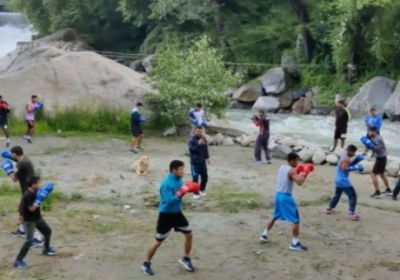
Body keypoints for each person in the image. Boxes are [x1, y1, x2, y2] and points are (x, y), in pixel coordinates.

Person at [141, 160, 196, 276]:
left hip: (177, 213)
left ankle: (186, 258)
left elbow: (179, 194)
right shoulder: (166, 184)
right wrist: (181, 192)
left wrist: (188, 189)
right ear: (174, 170)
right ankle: (146, 263)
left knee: (189, 234)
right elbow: (168, 200)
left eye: (183, 168)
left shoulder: (179, 180)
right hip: (166, 215)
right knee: (158, 241)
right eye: (181, 169)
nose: (183, 171)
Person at [259, 152, 313, 252]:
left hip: (278, 195)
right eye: (297, 160)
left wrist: (298, 170)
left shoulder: (282, 167)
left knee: (275, 215)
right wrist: (305, 173)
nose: (298, 162)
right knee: (295, 220)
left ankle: (264, 234)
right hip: (286, 197)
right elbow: (299, 182)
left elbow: (289, 174)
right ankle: (295, 243)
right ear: (292, 160)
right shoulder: (292, 171)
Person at [13, 176, 57, 268]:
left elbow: (22, 204)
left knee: (47, 231)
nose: (39, 184)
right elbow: (31, 208)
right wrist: (39, 200)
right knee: (29, 240)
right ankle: (18, 260)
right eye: (38, 183)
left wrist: (45, 193)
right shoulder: (28, 195)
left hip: (37, 218)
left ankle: (46, 248)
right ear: (33, 185)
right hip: (29, 220)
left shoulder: (37, 191)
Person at [4, 146, 43, 246]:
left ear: (14, 154)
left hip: (28, 192)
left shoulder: (22, 163)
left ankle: (37, 238)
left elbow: (14, 178)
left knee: (25, 215)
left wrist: (8, 170)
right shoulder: (25, 160)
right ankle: (22, 230)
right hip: (29, 191)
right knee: (21, 211)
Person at [325, 144, 361, 220]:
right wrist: (355, 168)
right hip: (343, 181)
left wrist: (356, 161)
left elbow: (346, 165)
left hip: (338, 180)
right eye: (353, 152)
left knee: (337, 194)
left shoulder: (343, 155)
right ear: (350, 151)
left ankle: (329, 208)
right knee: (353, 196)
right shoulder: (345, 158)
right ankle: (351, 213)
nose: (354, 154)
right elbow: (344, 168)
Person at [365, 127, 392, 198]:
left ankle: (377, 192)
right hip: (382, 158)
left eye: (369, 132)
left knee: (373, 174)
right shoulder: (375, 138)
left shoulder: (377, 138)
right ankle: (388, 189)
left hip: (381, 159)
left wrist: (371, 145)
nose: (368, 133)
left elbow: (379, 148)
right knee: (382, 174)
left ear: (373, 131)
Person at [188, 125, 210, 199]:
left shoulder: (203, 138)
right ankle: (195, 193)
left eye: (200, 131)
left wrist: (207, 157)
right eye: (198, 131)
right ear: (195, 131)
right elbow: (191, 150)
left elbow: (205, 148)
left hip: (202, 161)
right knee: (195, 178)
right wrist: (198, 144)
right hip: (195, 162)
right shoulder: (191, 140)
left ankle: (201, 190)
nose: (199, 133)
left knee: (205, 177)